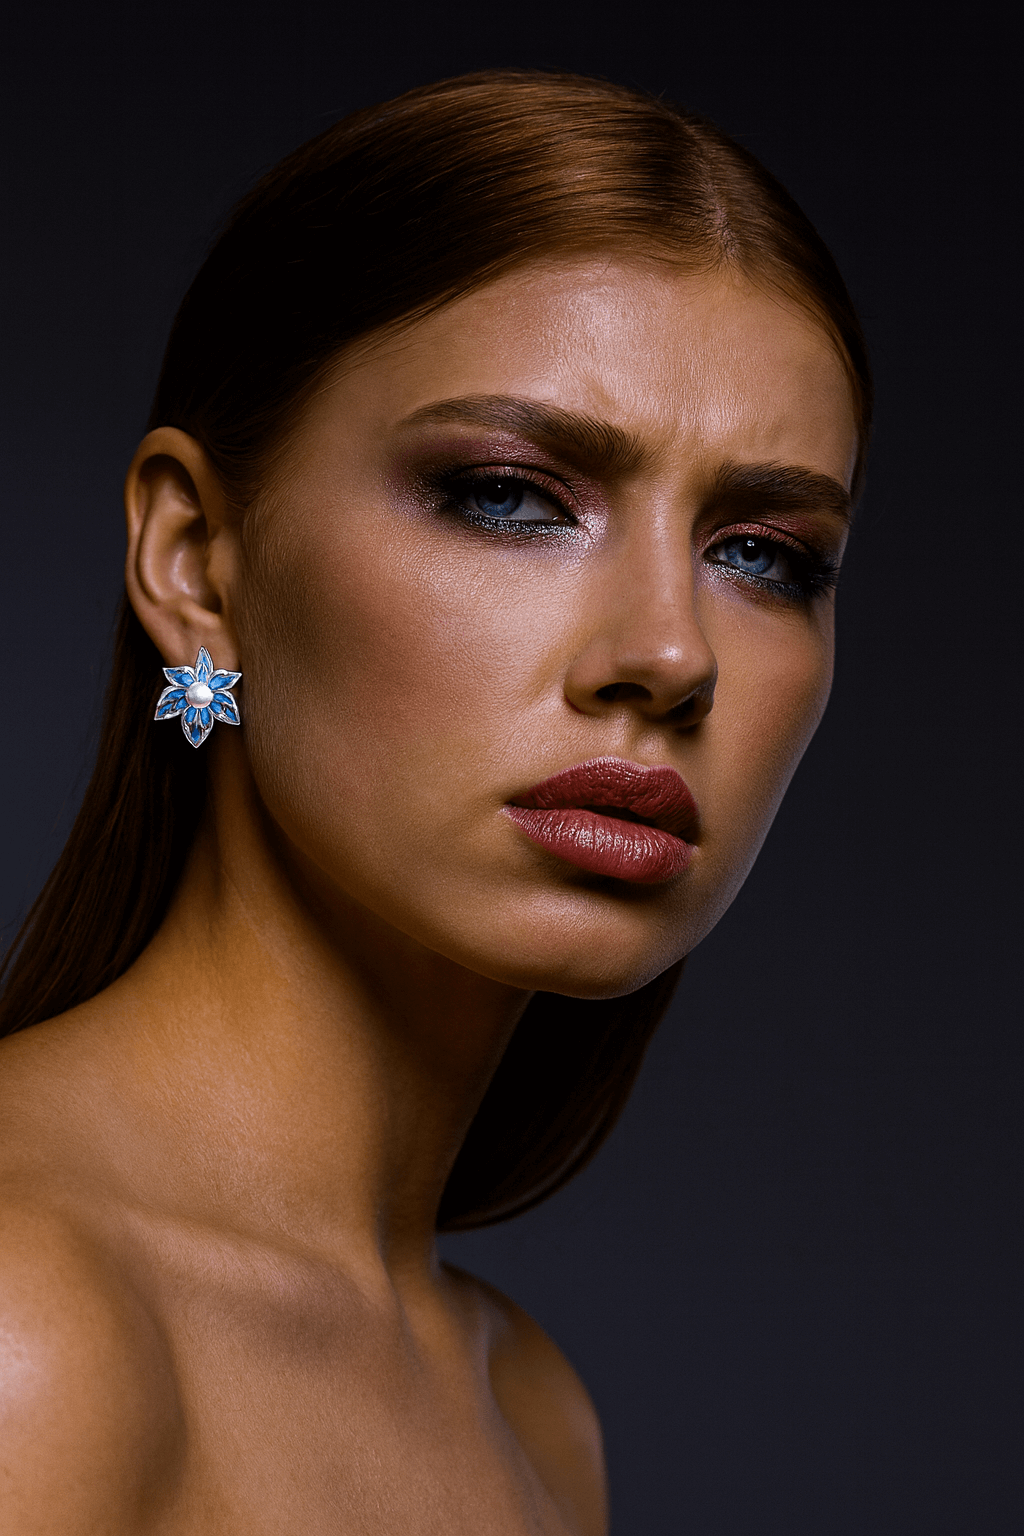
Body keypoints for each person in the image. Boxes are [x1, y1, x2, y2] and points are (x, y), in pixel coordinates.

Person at [0, 69, 869, 1534]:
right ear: (195, 565)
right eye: (511, 496)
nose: (673, 652)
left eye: (764, 554)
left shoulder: (529, 1411)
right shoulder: (27, 1327)